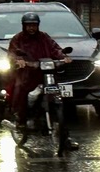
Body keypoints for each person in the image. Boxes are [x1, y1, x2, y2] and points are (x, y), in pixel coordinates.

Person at [6, 12, 75, 150]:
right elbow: (12, 53)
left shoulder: (44, 37)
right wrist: (18, 61)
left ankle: (65, 137)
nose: (31, 28)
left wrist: (64, 57)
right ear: (24, 26)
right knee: (20, 89)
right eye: (29, 25)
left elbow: (55, 49)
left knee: (59, 100)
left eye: (34, 25)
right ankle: (20, 119)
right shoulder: (17, 39)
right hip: (27, 74)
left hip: (46, 74)